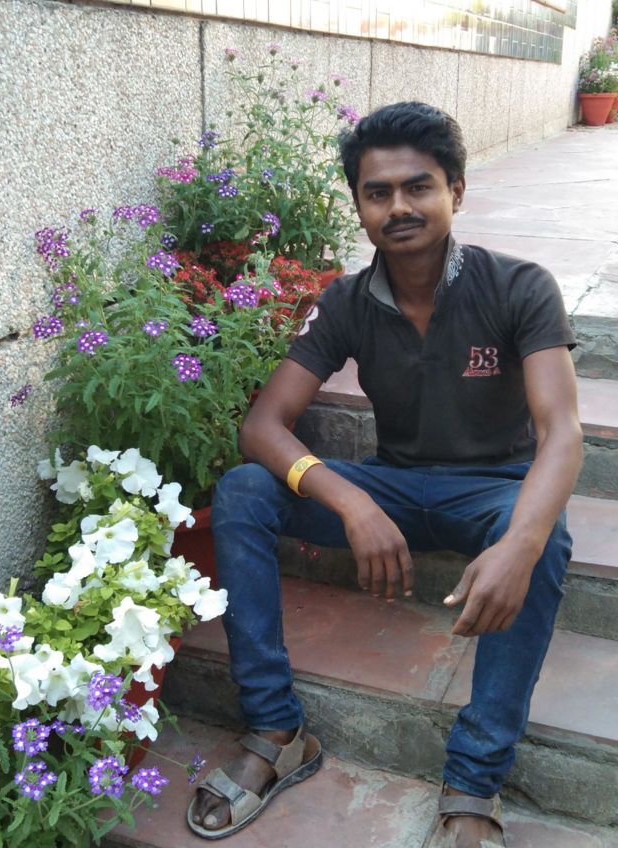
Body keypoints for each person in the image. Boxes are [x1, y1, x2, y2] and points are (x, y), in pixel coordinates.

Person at [187, 101, 582, 847]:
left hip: (493, 490)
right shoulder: (345, 301)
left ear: (455, 191)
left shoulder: (519, 286)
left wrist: (521, 543)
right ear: (360, 207)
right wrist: (350, 501)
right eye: (378, 193)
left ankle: (474, 780)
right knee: (243, 490)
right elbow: (262, 427)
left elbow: (562, 432)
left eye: (418, 186)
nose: (398, 206)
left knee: (543, 532)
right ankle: (276, 730)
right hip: (392, 487)